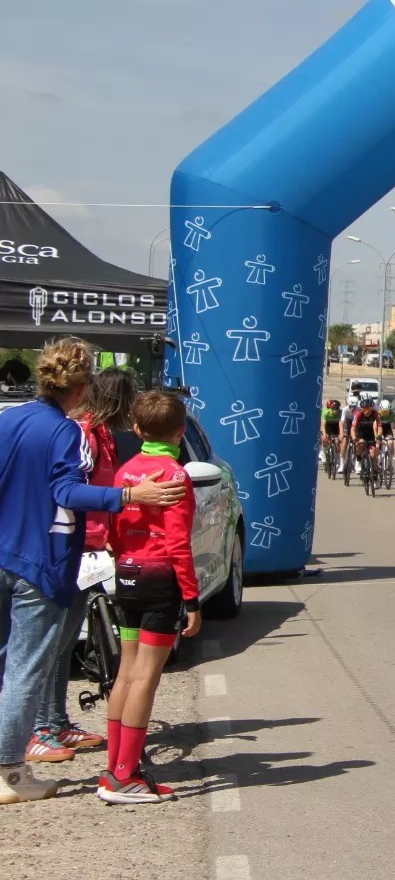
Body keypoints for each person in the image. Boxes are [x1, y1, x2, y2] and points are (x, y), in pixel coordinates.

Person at [0, 337, 184, 804]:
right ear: (81, 388)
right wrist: (127, 497)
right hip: (38, 563)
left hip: (4, 553)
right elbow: (67, 492)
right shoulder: (64, 431)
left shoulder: (10, 419)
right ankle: (9, 773)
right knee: (27, 671)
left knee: (7, 667)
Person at [99, 389, 203, 804]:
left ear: (137, 429)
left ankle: (114, 767)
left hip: (127, 575)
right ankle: (126, 776)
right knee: (147, 676)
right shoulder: (176, 475)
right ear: (180, 431)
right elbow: (179, 544)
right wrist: (192, 601)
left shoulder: (125, 471)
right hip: (161, 582)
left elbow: (111, 527)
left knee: (126, 671)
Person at [30, 368, 137, 764]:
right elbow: (73, 491)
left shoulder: (103, 435)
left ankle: (57, 722)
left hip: (90, 550)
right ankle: (43, 727)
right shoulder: (84, 434)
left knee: (64, 643)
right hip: (70, 548)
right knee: (55, 644)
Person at [319, 398, 341, 465]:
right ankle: (324, 453)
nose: (335, 411)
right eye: (333, 409)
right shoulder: (326, 412)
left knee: (337, 442)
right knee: (325, 439)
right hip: (327, 425)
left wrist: (340, 434)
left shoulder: (340, 413)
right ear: (331, 409)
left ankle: (337, 458)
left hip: (335, 426)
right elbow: (323, 425)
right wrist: (324, 434)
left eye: (336, 409)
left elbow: (341, 424)